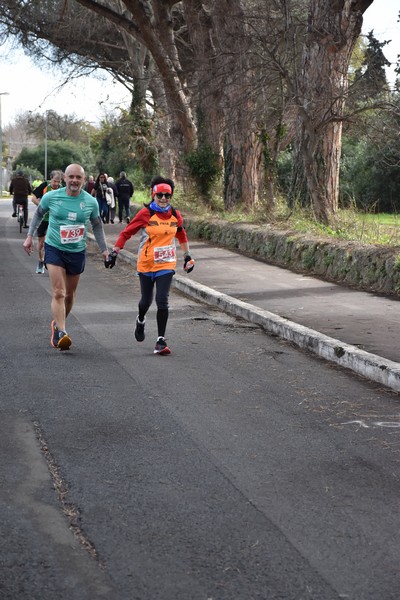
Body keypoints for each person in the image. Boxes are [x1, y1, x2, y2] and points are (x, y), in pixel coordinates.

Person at [23, 163, 109, 351]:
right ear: (64, 179)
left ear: (84, 180)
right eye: (71, 177)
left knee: (69, 295)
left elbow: (97, 226)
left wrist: (104, 249)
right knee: (59, 292)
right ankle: (62, 332)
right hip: (54, 248)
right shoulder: (52, 197)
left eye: (78, 177)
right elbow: (38, 215)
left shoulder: (90, 202)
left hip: (77, 251)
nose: (74, 180)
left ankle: (56, 324)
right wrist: (29, 236)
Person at [106, 175, 195, 355]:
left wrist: (187, 256)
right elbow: (126, 233)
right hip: (146, 264)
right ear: (153, 195)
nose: (163, 199)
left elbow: (181, 235)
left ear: (171, 197)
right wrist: (115, 251)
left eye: (167, 195)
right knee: (145, 302)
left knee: (162, 300)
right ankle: (140, 320)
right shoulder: (145, 214)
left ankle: (160, 340)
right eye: (159, 195)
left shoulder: (175, 214)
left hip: (166, 264)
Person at [31, 170, 63, 274]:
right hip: (44, 219)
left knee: (56, 241)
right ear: (50, 179)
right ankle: (40, 261)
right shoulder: (45, 185)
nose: (57, 184)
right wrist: (42, 206)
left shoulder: (63, 188)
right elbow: (33, 198)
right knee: (41, 242)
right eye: (54, 181)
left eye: (58, 182)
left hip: (56, 220)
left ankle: (53, 262)